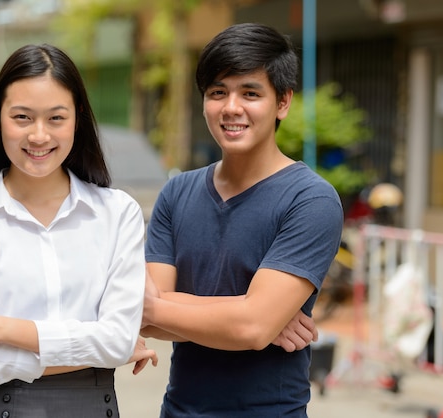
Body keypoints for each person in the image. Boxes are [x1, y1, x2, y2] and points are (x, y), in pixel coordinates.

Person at [0, 43, 157, 418]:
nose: (39, 136)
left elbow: (116, 342)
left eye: (56, 118)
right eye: (22, 117)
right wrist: (94, 348)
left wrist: (0, 329)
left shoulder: (118, 213)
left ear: (77, 119)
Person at [141, 23, 343, 417]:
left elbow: (155, 309)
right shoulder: (177, 193)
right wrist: (253, 315)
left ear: (282, 102)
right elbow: (152, 323)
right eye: (218, 92)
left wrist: (255, 322)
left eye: (250, 93)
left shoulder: (311, 199)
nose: (231, 107)